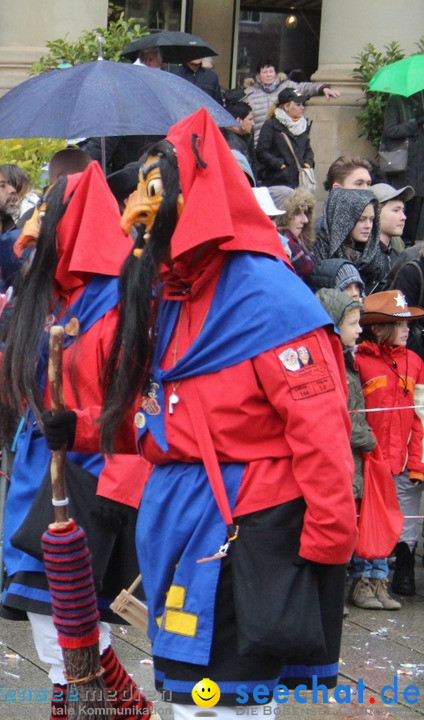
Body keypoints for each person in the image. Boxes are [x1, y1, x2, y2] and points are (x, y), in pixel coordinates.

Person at [98, 109, 356, 718]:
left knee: (222, 702)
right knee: (196, 696)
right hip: (183, 517)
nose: (139, 207)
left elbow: (321, 431)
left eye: (155, 191)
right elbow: (165, 417)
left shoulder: (268, 300)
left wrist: (326, 543)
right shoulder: (174, 292)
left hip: (246, 521)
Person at [0, 165, 154, 720]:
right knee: (57, 631)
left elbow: (136, 402)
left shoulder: (117, 302)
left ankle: (127, 712)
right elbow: (28, 385)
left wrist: (122, 481)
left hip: (85, 481)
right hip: (43, 474)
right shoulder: (57, 297)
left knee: (66, 627)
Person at [314, 288, 386, 610]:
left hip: (351, 458)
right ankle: (330, 591)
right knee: (335, 524)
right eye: (354, 323)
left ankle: (344, 589)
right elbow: (337, 415)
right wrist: (366, 436)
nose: (360, 330)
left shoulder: (348, 360)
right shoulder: (331, 364)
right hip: (338, 458)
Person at [354, 290, 424, 599]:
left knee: (388, 523)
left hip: (397, 461)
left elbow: (419, 417)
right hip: (369, 457)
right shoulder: (360, 362)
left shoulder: (415, 362)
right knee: (365, 521)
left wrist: (416, 461)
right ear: (381, 327)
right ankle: (360, 580)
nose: (409, 329)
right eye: (400, 323)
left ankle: (380, 580)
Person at [244, 59, 340, 143]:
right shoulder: (249, 93)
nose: (268, 75)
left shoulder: (287, 86)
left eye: (271, 71)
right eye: (265, 72)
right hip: (258, 142)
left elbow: (304, 88)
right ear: (258, 75)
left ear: (276, 73)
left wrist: (322, 88)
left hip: (283, 141)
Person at [313, 188, 387, 294]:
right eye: (361, 220)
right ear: (343, 220)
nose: (368, 226)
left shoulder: (376, 256)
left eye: (371, 219)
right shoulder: (320, 250)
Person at [383, 91, 423, 245]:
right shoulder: (397, 101)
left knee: (415, 214)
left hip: (420, 170)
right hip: (403, 169)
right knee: (402, 211)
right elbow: (390, 130)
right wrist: (416, 123)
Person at [256, 88, 314, 188]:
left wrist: (308, 164)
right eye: (298, 104)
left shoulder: (303, 125)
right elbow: (261, 151)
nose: (302, 107)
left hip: (300, 182)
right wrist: (280, 165)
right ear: (287, 106)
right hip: (278, 181)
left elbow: (308, 149)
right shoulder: (271, 125)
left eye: (302, 104)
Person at [275, 186, 316, 280]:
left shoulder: (304, 247)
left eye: (305, 213)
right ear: (281, 216)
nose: (305, 220)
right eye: (297, 213)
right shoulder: (278, 256)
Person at [373, 182, 414, 252]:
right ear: (374, 213)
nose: (404, 217)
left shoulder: (398, 246)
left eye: (402, 210)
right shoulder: (360, 255)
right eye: (396, 210)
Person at [222, 100, 255, 170]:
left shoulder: (243, 136)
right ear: (239, 120)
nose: (253, 123)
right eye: (250, 119)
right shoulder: (233, 144)